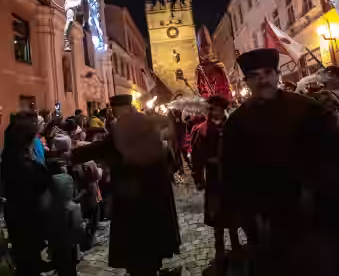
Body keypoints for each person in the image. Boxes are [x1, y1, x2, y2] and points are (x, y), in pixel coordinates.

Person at [221, 49, 339, 276]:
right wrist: (247, 215)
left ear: (277, 75)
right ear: (247, 82)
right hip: (267, 217)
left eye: (268, 73)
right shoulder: (236, 123)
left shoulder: (307, 107)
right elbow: (231, 174)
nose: (263, 80)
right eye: (255, 76)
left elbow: (336, 151)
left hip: (313, 212)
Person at [70, 95, 180, 276]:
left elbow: (103, 147)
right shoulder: (142, 123)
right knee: (153, 235)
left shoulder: (128, 126)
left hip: (135, 193)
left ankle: (144, 267)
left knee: (138, 240)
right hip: (153, 191)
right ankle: (151, 264)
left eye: (115, 111)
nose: (113, 115)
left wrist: (72, 155)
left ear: (123, 109)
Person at [191, 96, 240, 271]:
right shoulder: (202, 130)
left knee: (233, 211)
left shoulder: (233, 126)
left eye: (216, 108)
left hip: (231, 176)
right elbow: (196, 157)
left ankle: (236, 244)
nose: (213, 112)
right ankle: (219, 247)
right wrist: (199, 178)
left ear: (222, 109)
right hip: (214, 178)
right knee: (216, 211)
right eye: (210, 108)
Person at [1, 111, 51, 276]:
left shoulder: (8, 154)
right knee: (28, 255)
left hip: (15, 212)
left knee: (25, 253)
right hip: (27, 214)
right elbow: (41, 184)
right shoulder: (26, 164)